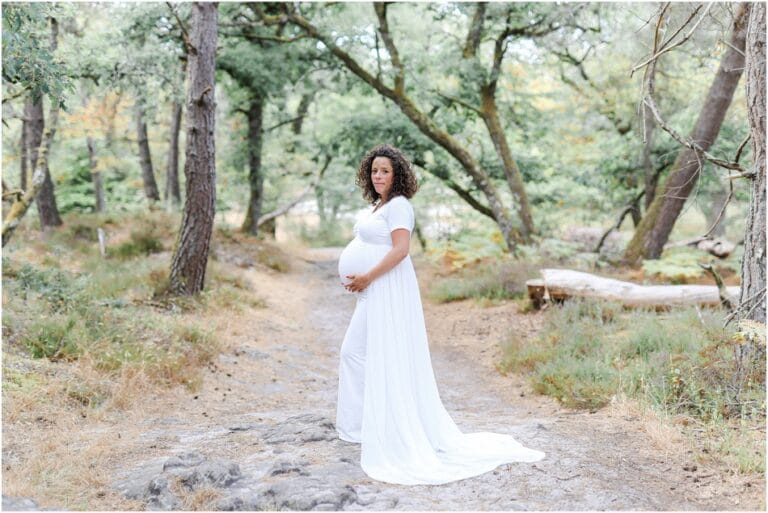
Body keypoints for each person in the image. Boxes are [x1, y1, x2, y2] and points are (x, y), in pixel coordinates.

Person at [336, 144, 545, 485]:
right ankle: (362, 424)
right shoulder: (379, 205)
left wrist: (368, 276)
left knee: (366, 353)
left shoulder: (400, 206)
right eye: (374, 171)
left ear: (397, 174)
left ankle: (370, 426)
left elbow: (402, 251)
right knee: (355, 353)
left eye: (385, 171)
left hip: (385, 288)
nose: (378, 176)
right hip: (374, 292)